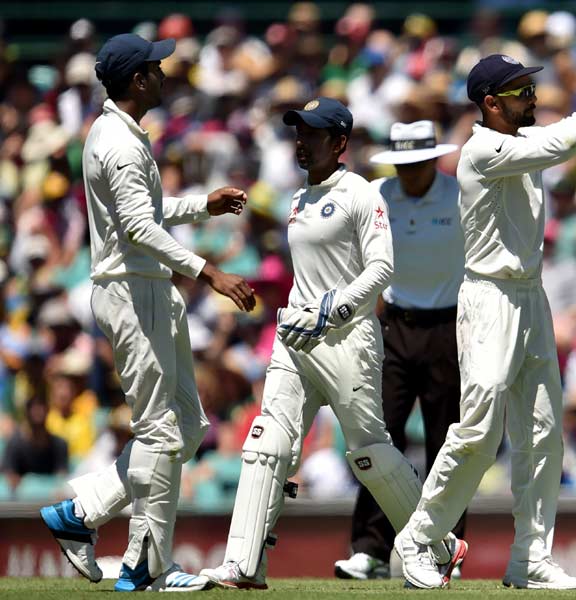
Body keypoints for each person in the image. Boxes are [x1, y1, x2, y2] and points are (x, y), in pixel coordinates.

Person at [394, 33, 576, 590]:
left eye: (531, 87)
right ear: (490, 103)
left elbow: (556, 137)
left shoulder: (521, 139)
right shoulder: (484, 151)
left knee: (543, 431)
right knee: (480, 430)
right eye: (520, 91)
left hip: (530, 297)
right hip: (488, 298)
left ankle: (530, 556)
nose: (532, 97)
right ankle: (417, 537)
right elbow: (560, 145)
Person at [199, 100, 465, 590]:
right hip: (297, 338)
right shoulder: (299, 198)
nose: (301, 140)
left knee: (368, 454)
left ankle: (440, 545)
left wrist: (337, 308)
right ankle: (244, 563)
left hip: (348, 339)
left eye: (313, 133)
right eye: (298, 132)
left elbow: (382, 268)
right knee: (266, 444)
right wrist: (309, 314)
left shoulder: (362, 194)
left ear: (339, 142)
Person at [39, 33, 257, 593]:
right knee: (162, 429)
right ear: (138, 80)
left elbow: (145, 214)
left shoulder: (121, 134)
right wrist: (211, 273)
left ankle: (81, 514)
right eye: (157, 68)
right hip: (134, 293)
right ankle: (147, 565)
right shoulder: (120, 143)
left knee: (184, 424)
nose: (165, 74)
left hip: (146, 289)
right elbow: (137, 228)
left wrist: (200, 204)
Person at [334, 120, 466, 580]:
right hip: (392, 326)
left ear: (433, 159)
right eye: (402, 164)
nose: (410, 173)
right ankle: (370, 550)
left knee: (446, 444)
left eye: (418, 163)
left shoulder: (459, 193)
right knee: (377, 437)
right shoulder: (377, 195)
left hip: (450, 328)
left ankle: (444, 550)